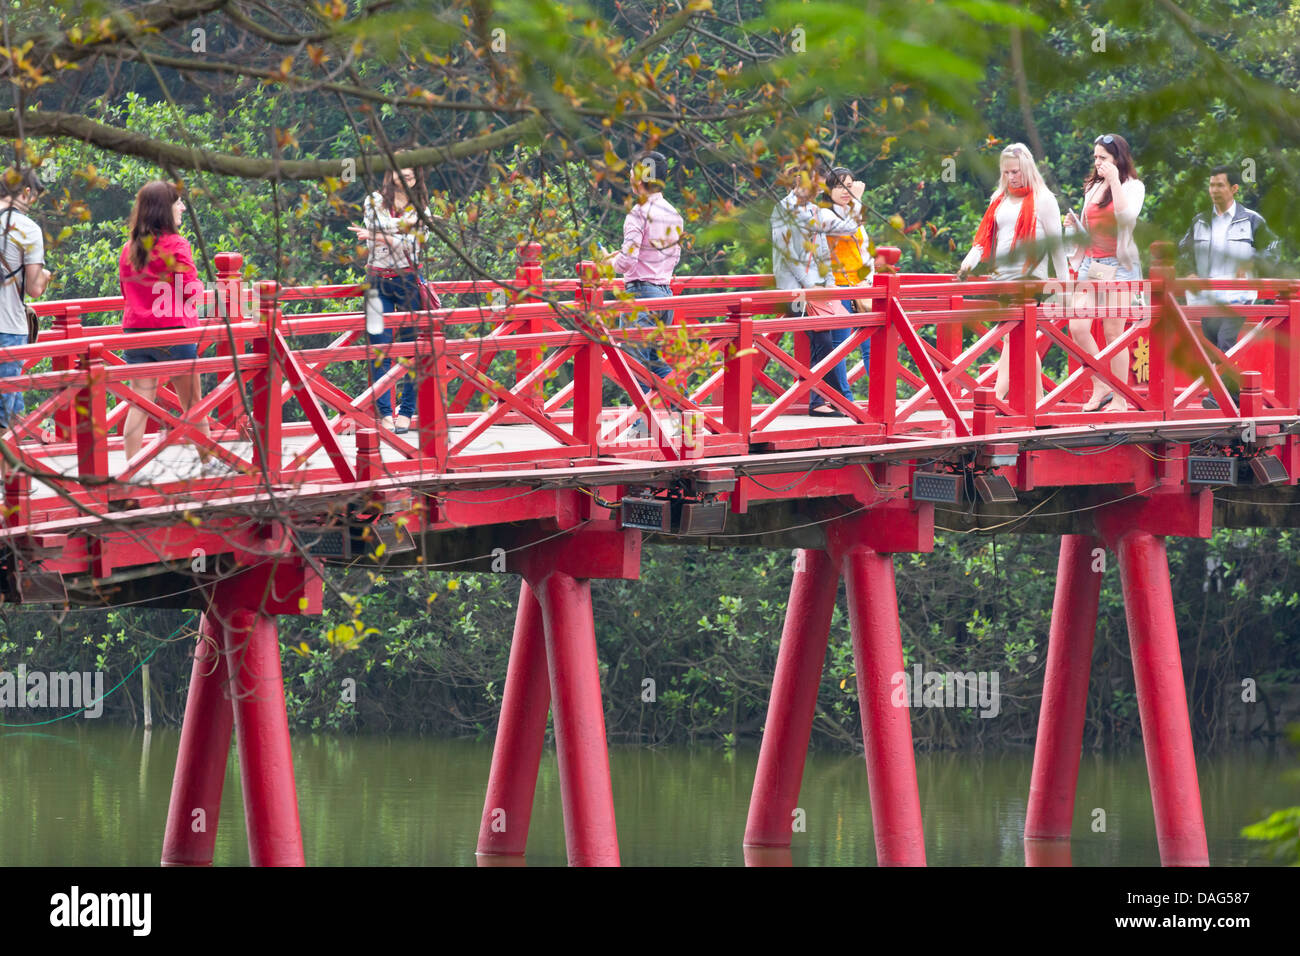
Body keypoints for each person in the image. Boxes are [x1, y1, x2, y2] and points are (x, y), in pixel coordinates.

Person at [118, 180, 224, 473]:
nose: (181, 207)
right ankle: (208, 464)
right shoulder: (176, 244)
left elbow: (127, 293)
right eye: (177, 202)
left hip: (136, 333)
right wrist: (202, 285)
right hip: (174, 332)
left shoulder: (129, 248)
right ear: (165, 209)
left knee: (139, 402)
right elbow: (191, 291)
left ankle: (132, 468)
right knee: (192, 402)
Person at [957, 144, 1070, 402]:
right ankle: (1039, 403)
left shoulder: (1044, 199)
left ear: (1027, 169)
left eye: (1016, 172)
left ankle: (996, 397)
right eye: (1006, 172)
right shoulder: (1000, 199)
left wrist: (1065, 285)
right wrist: (967, 264)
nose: (1011, 177)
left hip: (1029, 278)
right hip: (1001, 277)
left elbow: (1057, 246)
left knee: (1011, 338)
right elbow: (982, 240)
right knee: (1022, 342)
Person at [1178, 165, 1280, 408]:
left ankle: (1218, 398)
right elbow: (1183, 249)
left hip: (1238, 296)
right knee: (1213, 346)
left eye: (1220, 185)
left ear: (1234, 188)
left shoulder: (1252, 220)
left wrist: (1252, 261)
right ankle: (1232, 395)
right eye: (1211, 184)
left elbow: (1273, 250)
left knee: (1226, 341)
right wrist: (1189, 272)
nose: (1214, 190)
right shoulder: (1200, 221)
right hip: (1206, 298)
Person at [770, 161, 864, 416]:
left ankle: (828, 401)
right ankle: (825, 401)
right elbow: (788, 254)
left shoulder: (813, 210)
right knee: (823, 341)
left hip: (819, 290)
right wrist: (811, 286)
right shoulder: (784, 210)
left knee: (828, 343)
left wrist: (830, 283)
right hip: (796, 290)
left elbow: (840, 235)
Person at [1064, 133, 1145, 412]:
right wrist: (1075, 227)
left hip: (1119, 265)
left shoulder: (1133, 186)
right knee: (1077, 326)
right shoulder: (1092, 186)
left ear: (1118, 160)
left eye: (1104, 158)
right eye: (1095, 157)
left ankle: (1120, 398)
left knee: (1114, 333)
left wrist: (1114, 181)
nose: (1098, 163)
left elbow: (1125, 218)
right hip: (1093, 264)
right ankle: (1102, 385)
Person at [349, 167, 432, 434]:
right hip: (377, 281)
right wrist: (397, 233)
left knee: (412, 348)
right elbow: (398, 236)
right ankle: (385, 413)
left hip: (409, 280)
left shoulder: (422, 207)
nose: (406, 176)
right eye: (401, 170)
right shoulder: (373, 201)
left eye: (411, 172)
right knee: (378, 347)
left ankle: (406, 412)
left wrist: (378, 235)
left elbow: (413, 245)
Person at [602, 150, 684, 394]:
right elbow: (667, 256)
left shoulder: (638, 213)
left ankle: (645, 423)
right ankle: (688, 413)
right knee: (651, 362)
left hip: (641, 298)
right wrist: (617, 255)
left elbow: (628, 262)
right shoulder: (673, 213)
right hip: (664, 297)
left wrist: (605, 266)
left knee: (634, 366)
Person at [0, 167, 51, 432]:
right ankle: (8, 474)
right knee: (5, 413)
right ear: (27, 192)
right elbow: (34, 288)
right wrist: (45, 275)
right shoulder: (27, 228)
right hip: (7, 329)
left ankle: (8, 474)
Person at [823, 167, 879, 400]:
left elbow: (865, 248)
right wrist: (857, 200)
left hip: (861, 285)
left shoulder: (854, 213)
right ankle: (845, 400)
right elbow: (849, 228)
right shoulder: (825, 215)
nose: (845, 191)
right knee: (840, 346)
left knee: (871, 345)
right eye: (839, 186)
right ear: (829, 189)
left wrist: (869, 278)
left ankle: (880, 398)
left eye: (849, 185)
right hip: (838, 286)